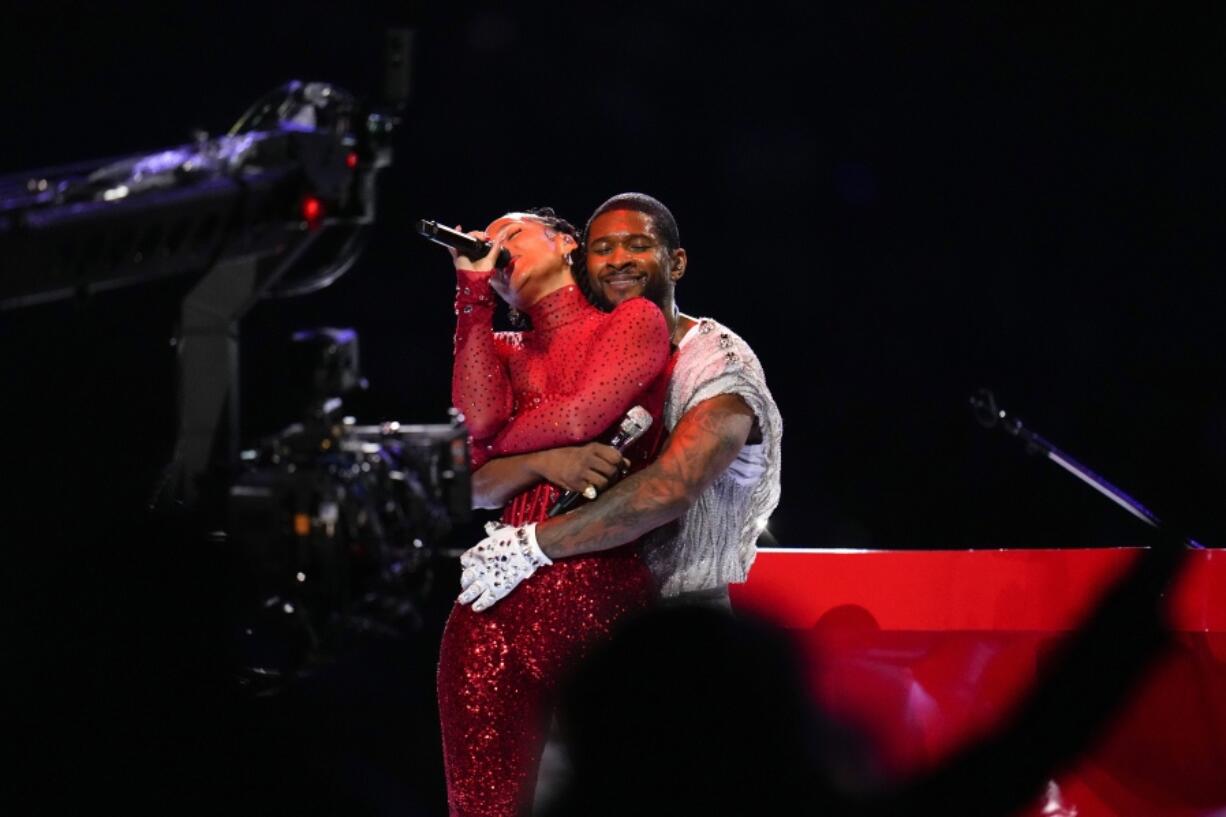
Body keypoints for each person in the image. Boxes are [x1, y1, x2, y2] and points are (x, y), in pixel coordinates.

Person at [435, 207, 673, 817]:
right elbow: (475, 432)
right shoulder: (499, 348)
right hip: (489, 609)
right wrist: (471, 295)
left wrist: (497, 454)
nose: (496, 250)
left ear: (566, 243)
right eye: (486, 246)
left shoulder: (631, 322)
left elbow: (577, 419)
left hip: (595, 596)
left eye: (509, 234)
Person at [459, 192, 782, 610]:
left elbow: (668, 489)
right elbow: (476, 486)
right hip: (583, 610)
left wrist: (531, 544)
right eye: (603, 249)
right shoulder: (575, 355)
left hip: (685, 616)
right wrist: (542, 462)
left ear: (677, 263)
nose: (618, 260)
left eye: (638, 246)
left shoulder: (720, 363)